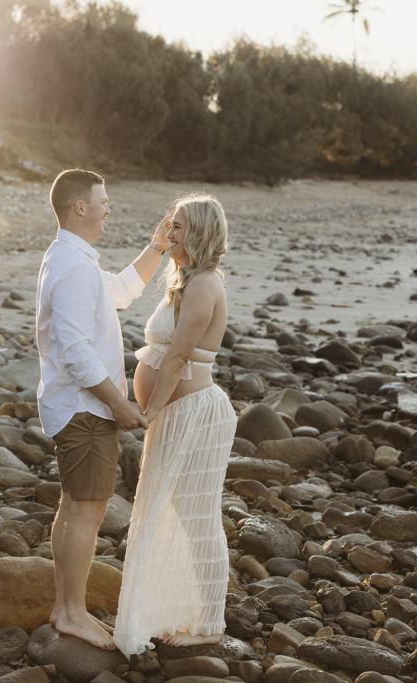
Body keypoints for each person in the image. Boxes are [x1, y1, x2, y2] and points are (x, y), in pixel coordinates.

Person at [36, 168, 171, 650]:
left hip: (80, 408)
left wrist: (158, 247)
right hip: (83, 410)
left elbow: (121, 291)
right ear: (80, 207)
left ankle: (65, 607)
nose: (108, 208)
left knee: (76, 507)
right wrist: (119, 405)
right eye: (103, 201)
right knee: (86, 510)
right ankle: (71, 612)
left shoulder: (75, 260)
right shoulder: (72, 266)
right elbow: (73, 349)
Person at [113, 193, 235, 655]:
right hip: (175, 413)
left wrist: (149, 412)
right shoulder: (184, 278)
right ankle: (183, 609)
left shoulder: (204, 283)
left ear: (201, 232)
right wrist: (160, 243)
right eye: (170, 224)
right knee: (175, 513)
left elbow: (180, 354)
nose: (170, 232)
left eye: (179, 226)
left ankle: (209, 622)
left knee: (198, 517)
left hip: (193, 415)